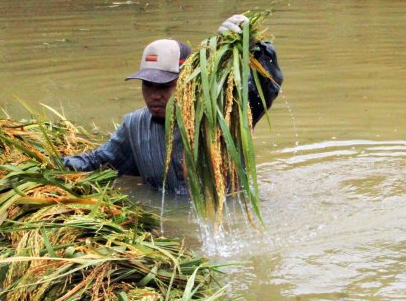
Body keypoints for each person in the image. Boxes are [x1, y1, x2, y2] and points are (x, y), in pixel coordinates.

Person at [62, 14, 283, 194]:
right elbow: (98, 162)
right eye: (148, 85)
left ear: (189, 82)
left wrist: (254, 47)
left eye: (164, 86)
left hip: (231, 218)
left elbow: (267, 85)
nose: (154, 96)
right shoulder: (135, 126)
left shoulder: (222, 115)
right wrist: (51, 165)